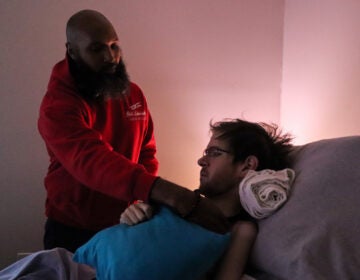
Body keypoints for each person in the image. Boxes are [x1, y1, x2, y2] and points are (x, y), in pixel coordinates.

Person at [38, 9, 227, 253]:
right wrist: (174, 195)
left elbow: (146, 152)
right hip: (73, 229)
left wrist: (141, 202)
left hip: (125, 225)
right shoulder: (58, 104)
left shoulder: (133, 94)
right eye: (96, 49)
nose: (110, 57)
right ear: (72, 51)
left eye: (114, 46)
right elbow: (91, 160)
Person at [120, 118, 294, 280]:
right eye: (206, 152)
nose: (201, 160)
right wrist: (133, 217)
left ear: (247, 165)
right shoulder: (179, 204)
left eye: (214, 153)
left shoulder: (240, 230)